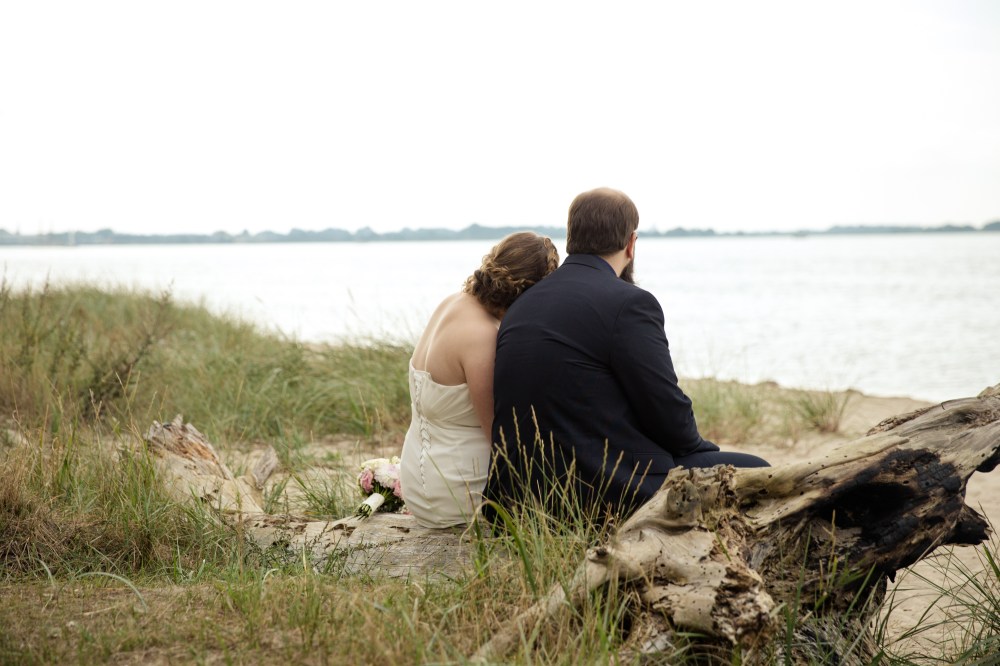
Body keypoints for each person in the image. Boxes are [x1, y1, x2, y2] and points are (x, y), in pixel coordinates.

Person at [483, 188, 768, 522]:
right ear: (631, 243)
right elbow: (666, 411)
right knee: (759, 473)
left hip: (519, 501)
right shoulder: (630, 303)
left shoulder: (522, 305)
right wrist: (700, 451)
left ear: (571, 237)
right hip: (602, 495)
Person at [400, 231, 560, 528]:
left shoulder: (451, 303)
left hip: (417, 484)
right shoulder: (483, 336)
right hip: (460, 495)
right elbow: (498, 436)